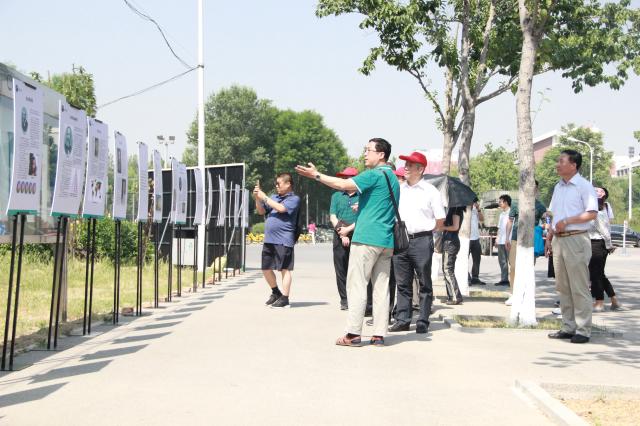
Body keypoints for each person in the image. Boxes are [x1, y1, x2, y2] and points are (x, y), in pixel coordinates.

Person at [296, 138, 399, 347]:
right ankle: (379, 335)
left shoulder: (373, 174)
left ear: (381, 155)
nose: (365, 154)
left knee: (357, 285)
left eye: (369, 150)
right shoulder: (393, 178)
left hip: (366, 238)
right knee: (381, 288)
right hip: (386, 240)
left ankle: (353, 334)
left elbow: (343, 184)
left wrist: (316, 175)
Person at [388, 151, 445, 334]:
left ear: (420, 169)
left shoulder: (430, 191)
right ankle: (403, 319)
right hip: (401, 240)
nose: (405, 168)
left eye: (410, 165)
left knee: (424, 282)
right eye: (405, 164)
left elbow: (440, 219)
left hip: (422, 240)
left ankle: (423, 319)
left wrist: (428, 232)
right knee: (402, 283)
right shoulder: (399, 190)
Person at [547, 149, 598, 344]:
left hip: (576, 239)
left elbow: (591, 213)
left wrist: (568, 221)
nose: (557, 165)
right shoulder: (558, 187)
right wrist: (550, 235)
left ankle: (583, 330)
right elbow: (553, 214)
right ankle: (568, 327)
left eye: (561, 161)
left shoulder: (584, 186)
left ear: (573, 165)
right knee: (563, 287)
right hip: (559, 240)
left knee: (579, 286)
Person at [253, 172, 301, 309]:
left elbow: (281, 208)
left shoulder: (294, 199)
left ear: (288, 184)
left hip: (284, 240)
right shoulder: (274, 197)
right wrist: (257, 198)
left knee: (284, 269)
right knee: (266, 268)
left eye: (279, 183)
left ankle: (285, 298)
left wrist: (264, 196)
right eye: (276, 183)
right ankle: (276, 292)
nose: (276, 186)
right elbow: (261, 211)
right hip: (269, 240)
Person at [505, 181, 547, 305]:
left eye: (534, 187)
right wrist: (506, 238)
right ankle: (513, 294)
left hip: (531, 241)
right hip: (516, 238)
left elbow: (546, 222)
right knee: (513, 266)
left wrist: (544, 226)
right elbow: (510, 221)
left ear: (536, 189)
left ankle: (526, 294)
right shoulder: (516, 203)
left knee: (528, 268)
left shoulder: (540, 206)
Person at [329, 167, 360, 310]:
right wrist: (342, 233)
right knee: (340, 268)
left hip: (358, 233)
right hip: (339, 232)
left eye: (347, 178)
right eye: (343, 178)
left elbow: (363, 217)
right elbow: (333, 216)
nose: (344, 180)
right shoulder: (336, 195)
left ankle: (357, 298)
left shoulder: (363, 195)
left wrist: (348, 231)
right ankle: (344, 299)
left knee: (357, 269)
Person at [589, 187, 620, 312]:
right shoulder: (593, 208)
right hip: (593, 243)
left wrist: (609, 245)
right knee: (599, 274)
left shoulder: (599, 210)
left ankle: (599, 303)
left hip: (597, 244)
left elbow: (605, 230)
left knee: (595, 275)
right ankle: (614, 300)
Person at [442, 206, 465, 304]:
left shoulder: (456, 210)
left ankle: (455, 296)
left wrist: (442, 227)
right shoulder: (454, 209)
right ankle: (451, 296)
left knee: (447, 270)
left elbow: (455, 227)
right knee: (446, 270)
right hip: (449, 242)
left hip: (450, 243)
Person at [495, 194, 511, 286]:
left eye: (500, 202)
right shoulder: (501, 214)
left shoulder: (512, 213)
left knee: (511, 261)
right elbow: (499, 228)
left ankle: (513, 280)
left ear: (506, 202)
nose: (499, 203)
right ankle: (504, 279)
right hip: (501, 241)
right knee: (502, 261)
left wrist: (508, 239)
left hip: (509, 241)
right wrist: (497, 239)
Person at [468, 200, 485, 285]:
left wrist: (478, 209)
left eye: (475, 202)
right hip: (467, 238)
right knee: (464, 259)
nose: (474, 203)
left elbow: (482, 219)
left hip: (476, 238)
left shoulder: (476, 210)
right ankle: (466, 278)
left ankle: (475, 277)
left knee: (477, 259)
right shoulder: (464, 209)